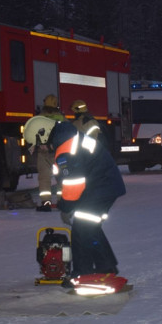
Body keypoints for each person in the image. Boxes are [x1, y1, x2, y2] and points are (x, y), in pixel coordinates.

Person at [23, 116, 126, 292]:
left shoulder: (64, 147)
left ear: (44, 133)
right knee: (89, 227)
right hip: (101, 185)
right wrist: (66, 201)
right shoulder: (66, 137)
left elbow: (74, 182)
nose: (41, 148)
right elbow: (69, 181)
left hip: (101, 187)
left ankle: (81, 274)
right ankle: (106, 268)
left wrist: (66, 206)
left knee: (81, 229)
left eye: (39, 144)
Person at [35, 94, 66, 211]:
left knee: (44, 178)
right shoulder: (62, 119)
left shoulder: (39, 118)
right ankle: (62, 201)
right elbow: (67, 133)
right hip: (59, 152)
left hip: (43, 153)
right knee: (61, 177)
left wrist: (41, 145)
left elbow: (33, 134)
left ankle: (46, 203)